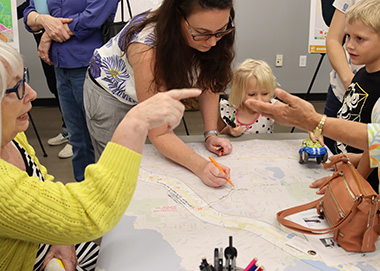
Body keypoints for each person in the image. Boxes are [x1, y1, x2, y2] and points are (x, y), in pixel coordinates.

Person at [0, 41, 200, 270]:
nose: (32, 94)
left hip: (44, 243)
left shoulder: (12, 136)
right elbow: (87, 213)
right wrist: (134, 124)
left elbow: (39, 184)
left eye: (24, 79)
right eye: (16, 87)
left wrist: (58, 234)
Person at [83, 0, 236, 188]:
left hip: (151, 90)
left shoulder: (214, 26)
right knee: (117, 174)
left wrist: (211, 133)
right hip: (113, 96)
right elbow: (160, 133)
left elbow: (209, 78)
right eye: (203, 33)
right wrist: (202, 166)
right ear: (178, 18)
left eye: (221, 31)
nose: (213, 42)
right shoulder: (146, 46)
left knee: (157, 167)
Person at [23, 0, 121, 181]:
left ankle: (112, 192)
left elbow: (95, 15)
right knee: (77, 139)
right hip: (61, 66)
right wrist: (42, 19)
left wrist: (48, 34)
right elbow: (29, 12)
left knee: (104, 138)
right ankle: (83, 190)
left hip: (92, 65)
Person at [17, 0, 72, 159]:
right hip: (41, 38)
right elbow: (28, 9)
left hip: (61, 38)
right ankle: (67, 129)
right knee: (55, 86)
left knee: (70, 88)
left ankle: (77, 138)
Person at [323, 0, 363, 152]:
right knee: (330, 150)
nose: (349, 46)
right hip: (342, 90)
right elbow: (333, 38)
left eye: (360, 38)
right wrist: (349, 80)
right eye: (348, 37)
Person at [217, 59, 277, 137]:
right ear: (239, 93)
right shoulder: (228, 110)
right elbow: (218, 135)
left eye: (265, 94)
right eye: (252, 94)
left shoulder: (271, 108)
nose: (259, 100)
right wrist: (228, 131)